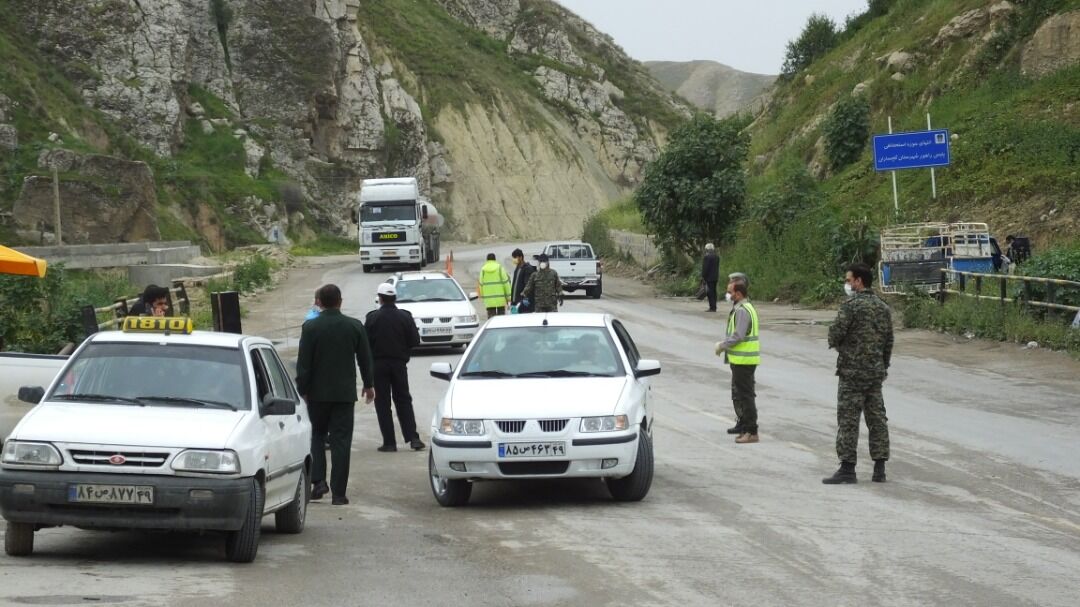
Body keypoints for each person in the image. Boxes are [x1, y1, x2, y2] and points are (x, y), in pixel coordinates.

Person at [295, 284, 375, 505]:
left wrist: (302, 390)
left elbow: (304, 364)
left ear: (319, 302)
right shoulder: (354, 326)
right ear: (340, 301)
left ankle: (319, 482)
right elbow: (365, 359)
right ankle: (339, 493)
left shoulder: (310, 328)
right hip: (343, 395)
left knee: (317, 436)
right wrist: (369, 385)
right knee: (341, 441)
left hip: (317, 395)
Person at [823, 262, 893, 484]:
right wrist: (882, 365)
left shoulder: (850, 307)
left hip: (852, 373)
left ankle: (847, 468)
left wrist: (845, 347)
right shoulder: (883, 307)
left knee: (848, 420)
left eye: (848, 280)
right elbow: (888, 341)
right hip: (874, 373)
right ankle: (879, 468)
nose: (847, 283)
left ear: (858, 281)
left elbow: (834, 335)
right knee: (877, 419)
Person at [365, 282, 425, 453]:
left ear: (380, 298)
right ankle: (413, 438)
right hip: (399, 364)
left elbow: (365, 344)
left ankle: (389, 442)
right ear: (395, 298)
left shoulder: (372, 318)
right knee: (404, 400)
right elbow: (415, 341)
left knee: (382, 403)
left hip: (378, 365)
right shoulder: (405, 317)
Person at [714, 277, 760, 444]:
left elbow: (739, 335)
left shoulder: (742, 310)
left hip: (743, 360)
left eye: (730, 292)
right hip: (745, 359)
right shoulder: (746, 307)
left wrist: (722, 345)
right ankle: (746, 428)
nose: (728, 295)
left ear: (739, 294)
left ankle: (751, 431)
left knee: (746, 396)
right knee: (744, 395)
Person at [477, 253, 512, 318]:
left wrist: (482, 296)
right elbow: (506, 283)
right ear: (495, 259)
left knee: (491, 320)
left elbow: (481, 284)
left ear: (487, 260)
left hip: (489, 301)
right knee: (501, 319)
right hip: (500, 300)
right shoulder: (499, 268)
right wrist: (509, 297)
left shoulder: (483, 270)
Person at [509, 248, 537, 313]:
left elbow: (528, 285)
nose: (514, 260)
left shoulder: (528, 269)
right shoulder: (518, 268)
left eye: (515, 257)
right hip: (515, 302)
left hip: (523, 303)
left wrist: (525, 298)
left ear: (521, 257)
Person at [702, 243, 720, 312]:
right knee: (714, 292)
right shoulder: (717, 257)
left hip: (709, 277)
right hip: (715, 277)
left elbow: (705, 268)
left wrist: (703, 276)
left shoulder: (707, 257)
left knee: (710, 292)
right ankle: (714, 306)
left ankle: (712, 307)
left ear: (707, 249)